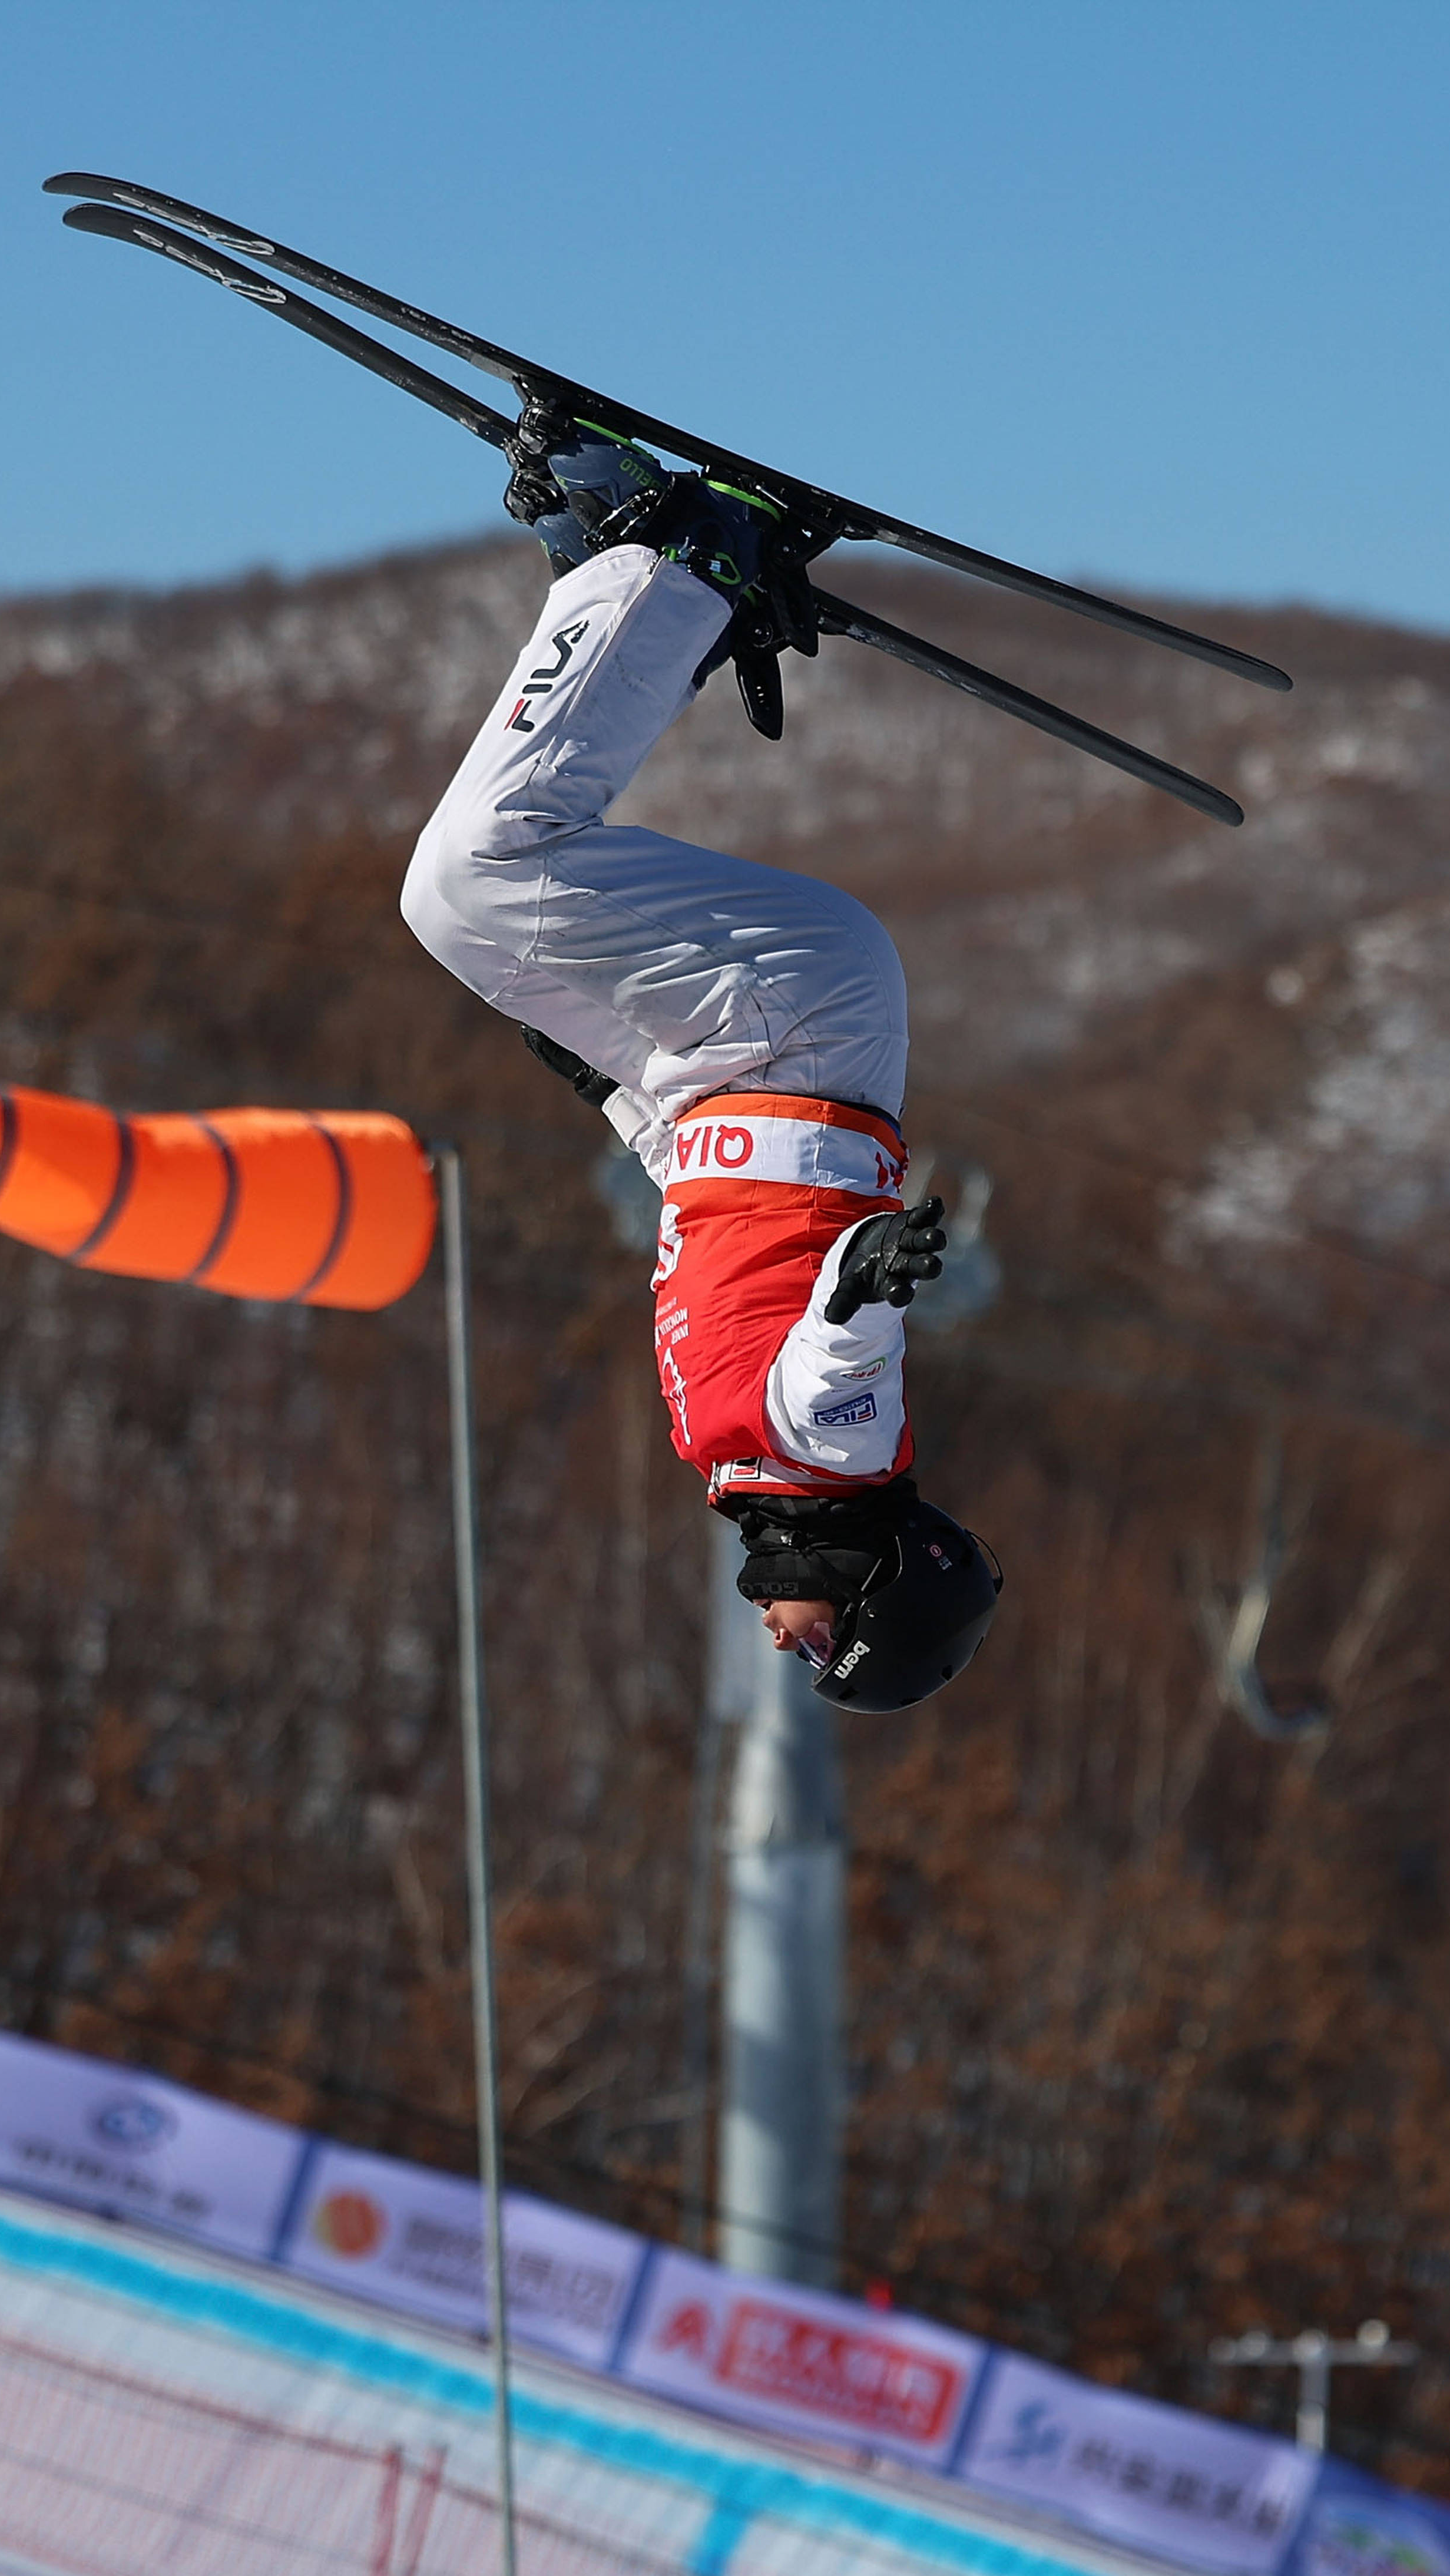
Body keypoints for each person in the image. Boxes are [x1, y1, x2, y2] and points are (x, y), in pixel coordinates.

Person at [402, 415, 1001, 1714]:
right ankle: (687, 558)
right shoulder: (823, 1446)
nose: (786, 1645)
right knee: (480, 871)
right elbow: (839, 1342)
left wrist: (610, 1092)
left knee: (456, 913)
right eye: (821, 1644)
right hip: (797, 1019)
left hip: (719, 1078)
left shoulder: (728, 1458)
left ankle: (626, 589)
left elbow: (724, 1226)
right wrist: (873, 1277)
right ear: (867, 1591)